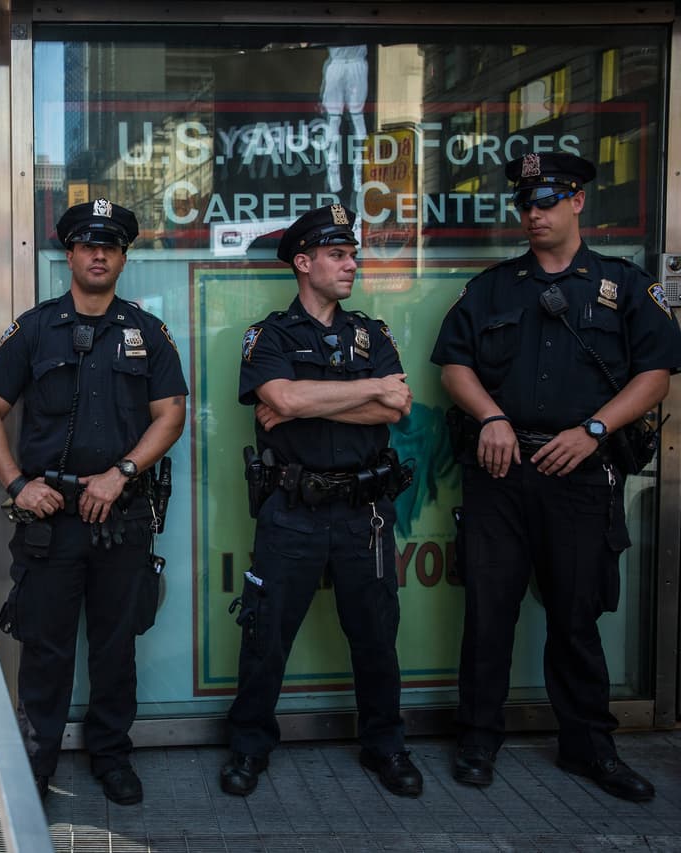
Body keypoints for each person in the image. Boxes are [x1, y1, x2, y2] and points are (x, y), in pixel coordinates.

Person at [430, 152, 681, 802]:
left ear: (577, 203)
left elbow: (655, 374)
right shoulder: (492, 287)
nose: (533, 214)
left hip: (578, 473)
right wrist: (490, 416)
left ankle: (589, 746)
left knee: (575, 615)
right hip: (501, 469)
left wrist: (594, 429)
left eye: (546, 201)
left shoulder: (625, 286)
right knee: (489, 613)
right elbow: (453, 364)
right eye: (525, 204)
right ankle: (478, 739)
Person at [0, 198, 187, 805]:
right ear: (69, 254)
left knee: (117, 645)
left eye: (110, 246)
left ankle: (112, 755)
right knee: (45, 647)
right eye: (88, 244)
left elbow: (172, 414)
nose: (99, 254)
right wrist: (18, 485)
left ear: (123, 257)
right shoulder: (36, 328)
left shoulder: (146, 330)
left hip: (122, 517)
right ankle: (34, 766)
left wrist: (121, 473)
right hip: (51, 520)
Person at [221, 204, 420, 798]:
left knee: (377, 635)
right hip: (293, 511)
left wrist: (310, 400)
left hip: (367, 510)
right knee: (266, 635)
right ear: (303, 263)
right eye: (338, 255)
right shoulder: (270, 336)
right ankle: (249, 747)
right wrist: (365, 390)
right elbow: (282, 396)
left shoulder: (373, 332)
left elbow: (397, 407)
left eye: (352, 254)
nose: (351, 264)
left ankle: (385, 746)